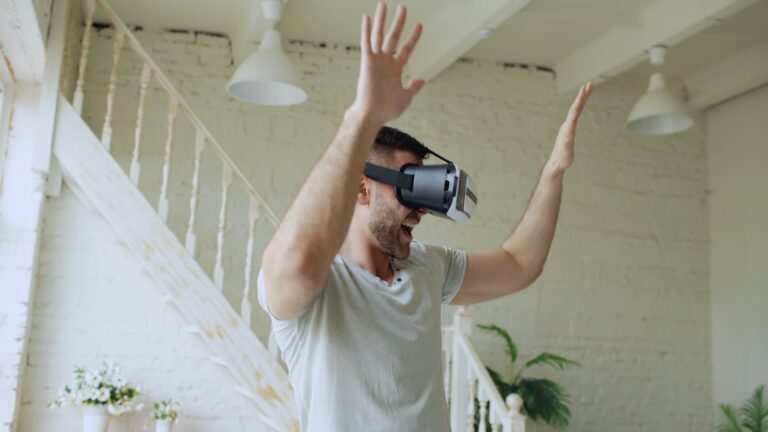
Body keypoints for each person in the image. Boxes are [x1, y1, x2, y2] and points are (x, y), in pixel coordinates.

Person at [257, 2, 592, 431]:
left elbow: (519, 264)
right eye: (408, 187)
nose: (420, 210)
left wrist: (553, 173)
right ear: (361, 187)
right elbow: (297, 264)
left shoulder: (427, 267)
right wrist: (364, 116)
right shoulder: (321, 287)